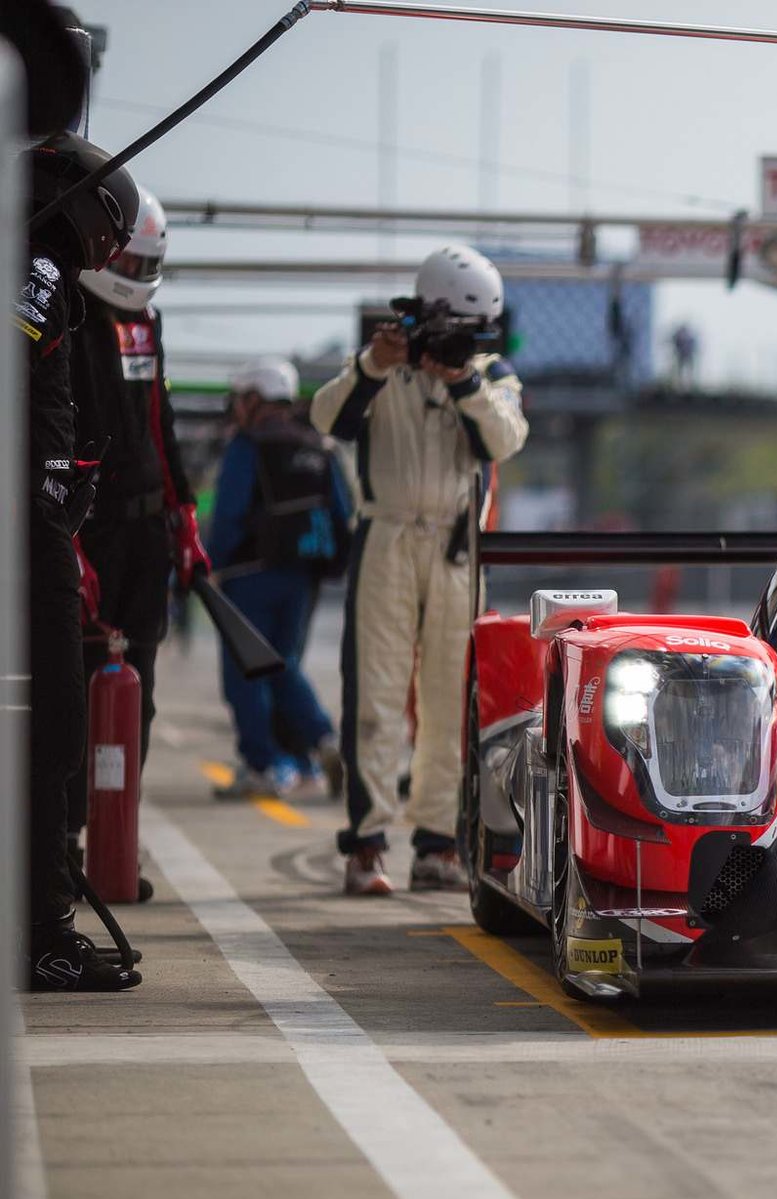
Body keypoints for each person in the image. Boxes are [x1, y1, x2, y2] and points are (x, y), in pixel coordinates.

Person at [310, 244, 527, 896]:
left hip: (459, 548)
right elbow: (327, 416)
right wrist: (378, 362)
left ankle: (437, 844)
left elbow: (505, 439)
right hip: (388, 537)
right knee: (374, 695)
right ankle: (367, 846)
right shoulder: (384, 365)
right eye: (450, 327)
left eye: (471, 331)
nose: (458, 342)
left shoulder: (491, 373)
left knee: (449, 702)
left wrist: (462, 381)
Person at [18, 131, 142, 990]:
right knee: (51, 726)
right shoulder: (40, 273)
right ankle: (38, 935)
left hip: (34, 523)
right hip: (26, 538)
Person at [67, 187, 207, 887]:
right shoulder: (58, 315)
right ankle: (62, 839)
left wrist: (183, 512)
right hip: (81, 529)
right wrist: (61, 536)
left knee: (137, 690)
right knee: (69, 684)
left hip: (147, 533)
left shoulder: (145, 325)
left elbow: (162, 420)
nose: (137, 274)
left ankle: (111, 834)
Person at [207, 357, 350, 799]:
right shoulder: (318, 446)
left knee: (245, 672)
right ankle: (320, 740)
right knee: (284, 662)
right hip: (303, 576)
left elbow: (229, 512)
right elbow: (342, 513)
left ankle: (264, 764)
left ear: (254, 399)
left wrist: (210, 564)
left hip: (248, 576)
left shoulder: (248, 445)